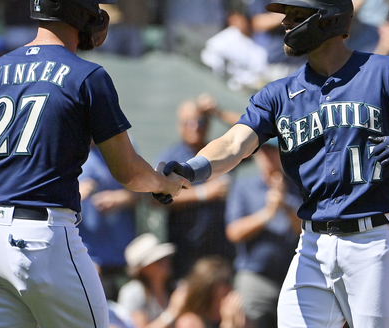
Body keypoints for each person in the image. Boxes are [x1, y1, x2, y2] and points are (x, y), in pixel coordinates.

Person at [160, 0, 389, 328]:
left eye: (296, 14)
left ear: (330, 19)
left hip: (375, 241)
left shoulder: (388, 72)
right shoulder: (278, 94)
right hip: (312, 244)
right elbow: (234, 143)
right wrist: (192, 170)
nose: (284, 23)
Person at [0, 0, 188, 328]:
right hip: (42, 240)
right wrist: (164, 183)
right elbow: (129, 171)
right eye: (95, 7)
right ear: (79, 11)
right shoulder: (87, 76)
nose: (99, 15)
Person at [156, 96, 237, 281]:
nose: (195, 127)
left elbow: (252, 134)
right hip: (186, 249)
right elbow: (155, 199)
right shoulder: (172, 157)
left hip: (220, 249)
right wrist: (203, 193)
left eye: (200, 121)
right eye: (188, 123)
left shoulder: (218, 151)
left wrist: (218, 112)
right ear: (180, 126)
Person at [224, 140, 302, 328]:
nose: (268, 157)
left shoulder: (296, 186)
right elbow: (234, 232)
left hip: (293, 277)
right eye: (264, 152)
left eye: (273, 151)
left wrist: (284, 205)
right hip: (255, 277)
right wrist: (267, 213)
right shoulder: (243, 186)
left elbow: (306, 230)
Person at [78, 142, 141, 298]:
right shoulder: (64, 145)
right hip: (88, 258)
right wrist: (74, 193)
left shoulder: (123, 144)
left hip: (124, 256)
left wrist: (120, 198)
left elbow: (144, 193)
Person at [117, 233, 188, 328]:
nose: (166, 262)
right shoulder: (131, 293)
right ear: (144, 268)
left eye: (165, 258)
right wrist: (173, 311)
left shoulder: (175, 288)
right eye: (159, 261)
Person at [174, 256, 246, 328]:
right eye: (225, 282)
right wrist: (228, 324)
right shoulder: (189, 322)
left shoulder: (235, 315)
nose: (229, 288)